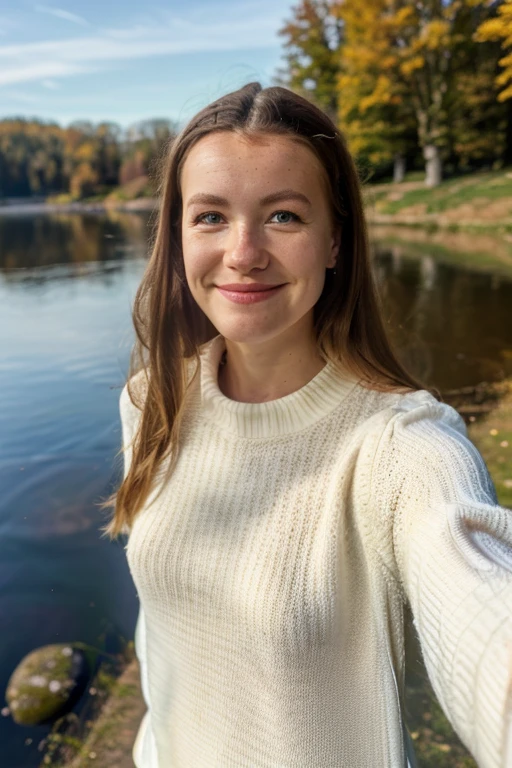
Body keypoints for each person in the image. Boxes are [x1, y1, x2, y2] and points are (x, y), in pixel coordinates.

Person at [101, 82, 512, 768]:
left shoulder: (399, 445)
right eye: (210, 217)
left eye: (284, 216)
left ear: (334, 242)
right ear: (177, 236)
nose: (243, 252)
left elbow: (477, 593)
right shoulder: (151, 401)